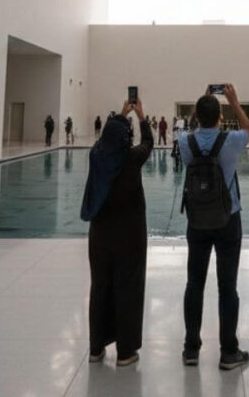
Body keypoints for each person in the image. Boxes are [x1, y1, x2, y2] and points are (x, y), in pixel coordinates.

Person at [179, 84, 249, 370]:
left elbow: (189, 156)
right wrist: (234, 102)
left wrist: (203, 105)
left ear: (196, 115)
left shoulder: (185, 141)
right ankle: (228, 352)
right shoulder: (232, 140)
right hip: (228, 218)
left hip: (197, 219)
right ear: (220, 115)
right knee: (227, 287)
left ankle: (191, 349)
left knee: (194, 283)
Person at [81, 99, 153, 366]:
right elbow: (148, 143)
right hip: (129, 236)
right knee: (127, 288)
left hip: (100, 235)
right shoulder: (131, 159)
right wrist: (141, 117)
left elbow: (104, 141)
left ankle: (95, 348)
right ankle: (125, 352)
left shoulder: (96, 156)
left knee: (100, 287)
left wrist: (121, 115)